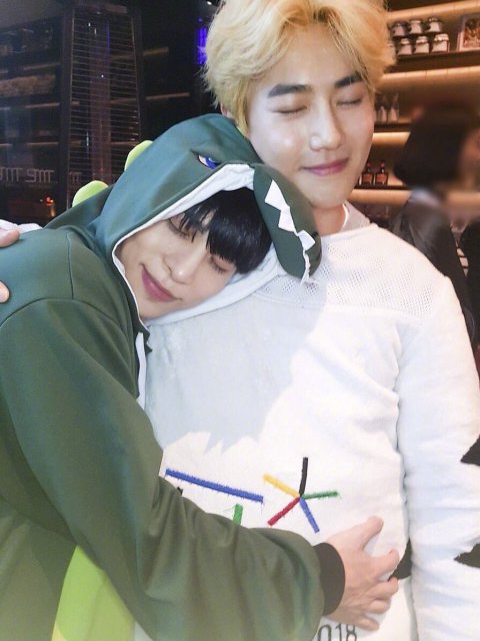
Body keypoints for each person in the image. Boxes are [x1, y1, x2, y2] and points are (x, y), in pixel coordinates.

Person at [135, 0, 479, 640]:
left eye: (350, 100)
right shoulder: (169, 261)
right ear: (239, 114)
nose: (329, 135)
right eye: (292, 108)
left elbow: (458, 520)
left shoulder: (411, 292)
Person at [0, 114, 398, 641]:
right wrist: (320, 579)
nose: (183, 271)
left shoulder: (83, 279)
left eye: (219, 263)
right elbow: (146, 540)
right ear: (141, 193)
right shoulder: (66, 303)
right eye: (179, 228)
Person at [390, 103, 480, 345]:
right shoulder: (424, 224)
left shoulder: (426, 216)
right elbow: (455, 325)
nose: (478, 156)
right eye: (475, 144)